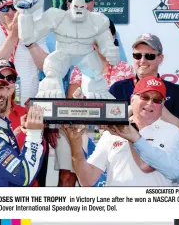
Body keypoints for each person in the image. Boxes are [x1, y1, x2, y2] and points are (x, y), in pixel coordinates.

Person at [63, 76, 179, 186]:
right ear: (132, 99)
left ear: (163, 105)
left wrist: (130, 135)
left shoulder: (171, 132)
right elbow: (87, 180)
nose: (150, 103)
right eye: (144, 97)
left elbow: (147, 166)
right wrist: (76, 145)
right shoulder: (112, 132)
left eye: (157, 100)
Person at [55, 20, 134, 187]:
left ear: (113, 37)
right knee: (69, 176)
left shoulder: (127, 70)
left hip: (115, 131)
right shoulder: (79, 68)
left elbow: (130, 107)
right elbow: (72, 105)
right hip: (84, 130)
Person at [109, 33, 179, 137]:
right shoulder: (118, 88)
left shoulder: (176, 91)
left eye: (149, 56)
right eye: (137, 56)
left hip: (163, 149)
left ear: (160, 58)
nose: (142, 61)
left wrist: (156, 106)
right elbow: (108, 127)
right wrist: (134, 107)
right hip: (126, 149)